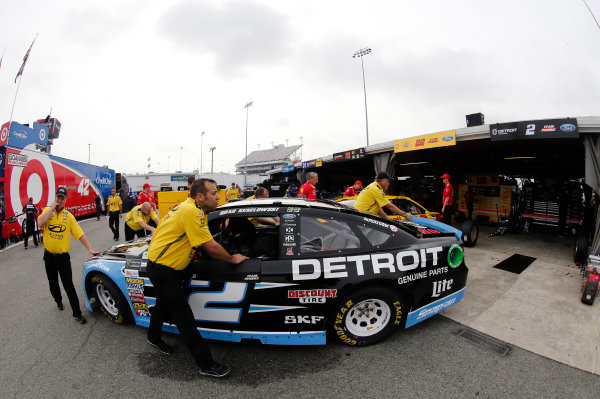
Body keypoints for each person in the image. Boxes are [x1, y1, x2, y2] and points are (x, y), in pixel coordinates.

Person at [146, 178, 248, 378]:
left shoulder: (189, 206)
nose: (218, 196)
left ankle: (153, 336)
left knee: (163, 304)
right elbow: (211, 246)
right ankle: (205, 364)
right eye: (213, 193)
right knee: (185, 320)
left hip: (168, 267)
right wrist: (232, 258)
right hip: (164, 270)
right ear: (200, 196)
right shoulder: (192, 211)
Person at [37, 187, 99, 324]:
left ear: (66, 200)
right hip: (49, 257)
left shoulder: (69, 216)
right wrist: (52, 208)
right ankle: (58, 300)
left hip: (63, 258)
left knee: (68, 285)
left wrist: (89, 249)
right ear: (55, 198)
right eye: (57, 197)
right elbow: (40, 223)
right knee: (53, 283)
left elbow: (80, 234)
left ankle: (77, 313)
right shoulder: (47, 211)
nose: (59, 200)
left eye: (62, 198)